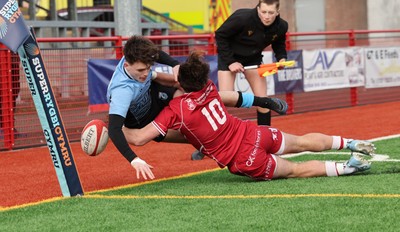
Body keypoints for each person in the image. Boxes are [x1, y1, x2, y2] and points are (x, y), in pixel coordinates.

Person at [122, 51, 375, 181]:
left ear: (182, 84)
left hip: (244, 158)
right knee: (301, 141)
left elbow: (140, 138)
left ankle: (348, 167)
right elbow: (230, 97)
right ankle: (349, 143)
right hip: (253, 133)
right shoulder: (210, 88)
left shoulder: (175, 111)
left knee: (295, 171)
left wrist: (113, 128)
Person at [106, 36, 288, 166]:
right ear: (127, 65)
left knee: (201, 91)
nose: (144, 73)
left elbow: (156, 55)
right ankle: (205, 144)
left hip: (155, 93)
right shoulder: (121, 91)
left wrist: (174, 65)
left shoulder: (138, 59)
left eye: (147, 68)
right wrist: (134, 159)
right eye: (140, 70)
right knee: (149, 138)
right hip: (142, 120)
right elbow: (115, 129)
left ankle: (263, 101)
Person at [215, 0, 288, 126]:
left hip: (253, 59)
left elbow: (279, 43)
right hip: (229, 57)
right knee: (225, 100)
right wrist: (231, 62)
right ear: (258, 8)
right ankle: (220, 140)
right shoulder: (242, 17)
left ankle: (265, 135)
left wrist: (282, 58)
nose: (266, 16)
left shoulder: (282, 26)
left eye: (270, 12)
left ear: (277, 12)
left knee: (263, 100)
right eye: (264, 11)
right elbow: (220, 35)